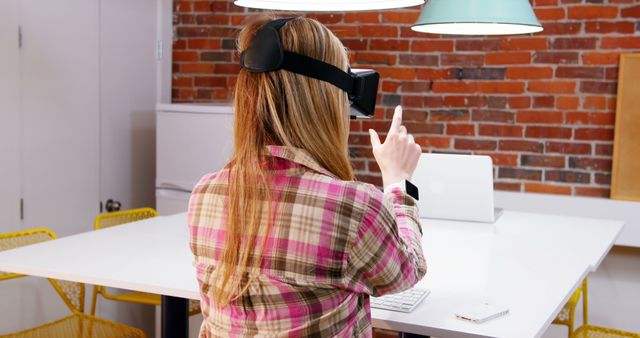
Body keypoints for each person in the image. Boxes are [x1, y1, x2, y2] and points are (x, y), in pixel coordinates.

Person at [188, 15, 426, 337]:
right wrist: (398, 182)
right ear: (328, 101)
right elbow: (406, 272)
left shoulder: (205, 193)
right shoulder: (352, 206)